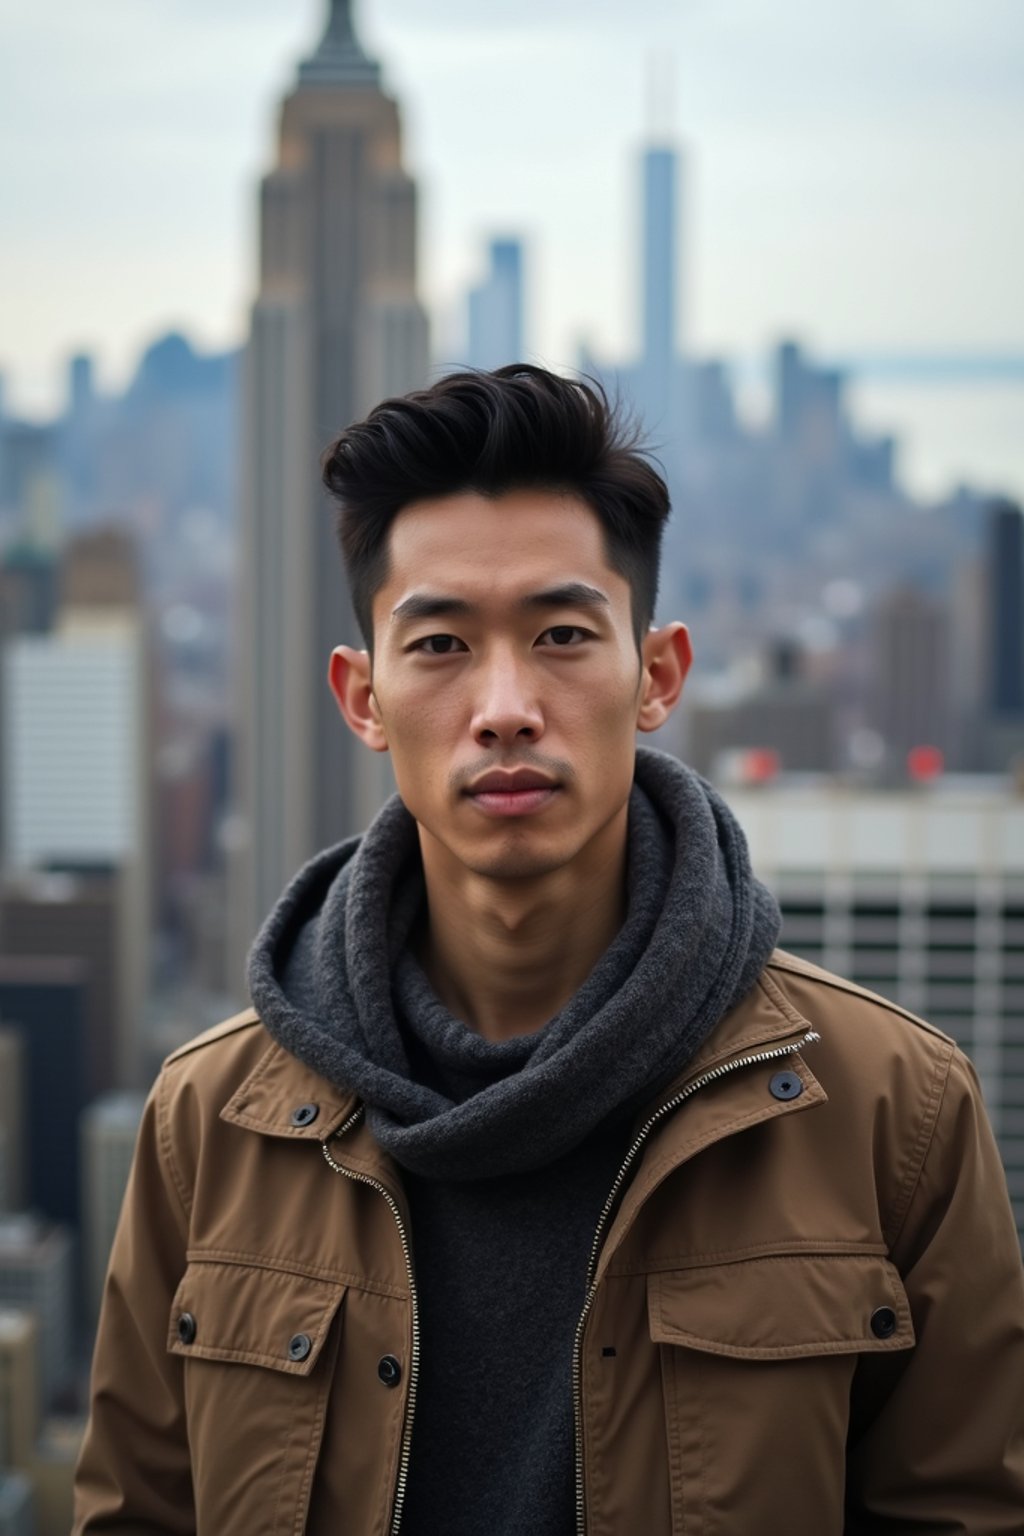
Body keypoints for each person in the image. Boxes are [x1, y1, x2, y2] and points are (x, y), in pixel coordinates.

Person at [75, 365, 1024, 1535]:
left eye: (564, 634)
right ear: (362, 698)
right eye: (439, 646)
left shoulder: (894, 1109)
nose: (507, 704)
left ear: (657, 675)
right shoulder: (209, 1123)